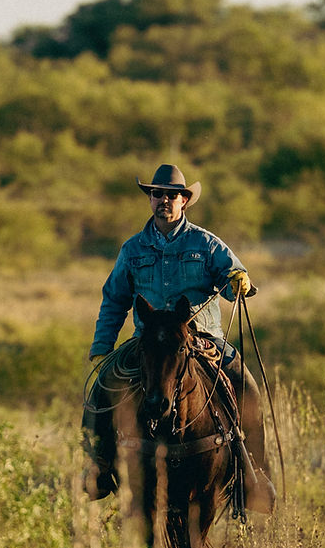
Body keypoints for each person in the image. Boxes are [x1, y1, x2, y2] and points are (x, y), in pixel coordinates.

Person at [83, 163, 275, 510]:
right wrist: (102, 347)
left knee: (246, 385)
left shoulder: (205, 243)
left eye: (171, 196)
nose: (164, 201)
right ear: (150, 199)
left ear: (184, 200)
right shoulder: (132, 249)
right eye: (157, 194)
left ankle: (255, 476)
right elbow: (114, 300)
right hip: (148, 340)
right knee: (103, 384)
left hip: (202, 338)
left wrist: (239, 279)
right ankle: (98, 465)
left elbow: (232, 272)